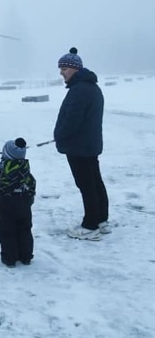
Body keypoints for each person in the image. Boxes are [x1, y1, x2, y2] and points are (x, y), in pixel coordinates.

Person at [54, 47, 109, 241]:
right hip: (88, 145)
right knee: (94, 182)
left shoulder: (80, 90)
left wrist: (60, 136)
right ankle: (102, 220)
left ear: (74, 68)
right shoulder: (91, 87)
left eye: (64, 69)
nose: (61, 73)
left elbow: (72, 120)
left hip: (79, 146)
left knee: (86, 185)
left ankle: (90, 225)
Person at [0, 138, 36, 267]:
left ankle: (10, 258)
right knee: (25, 229)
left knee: (6, 231)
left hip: (5, 207)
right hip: (24, 206)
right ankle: (26, 256)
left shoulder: (3, 174)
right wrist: (29, 199)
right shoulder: (26, 172)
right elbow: (33, 185)